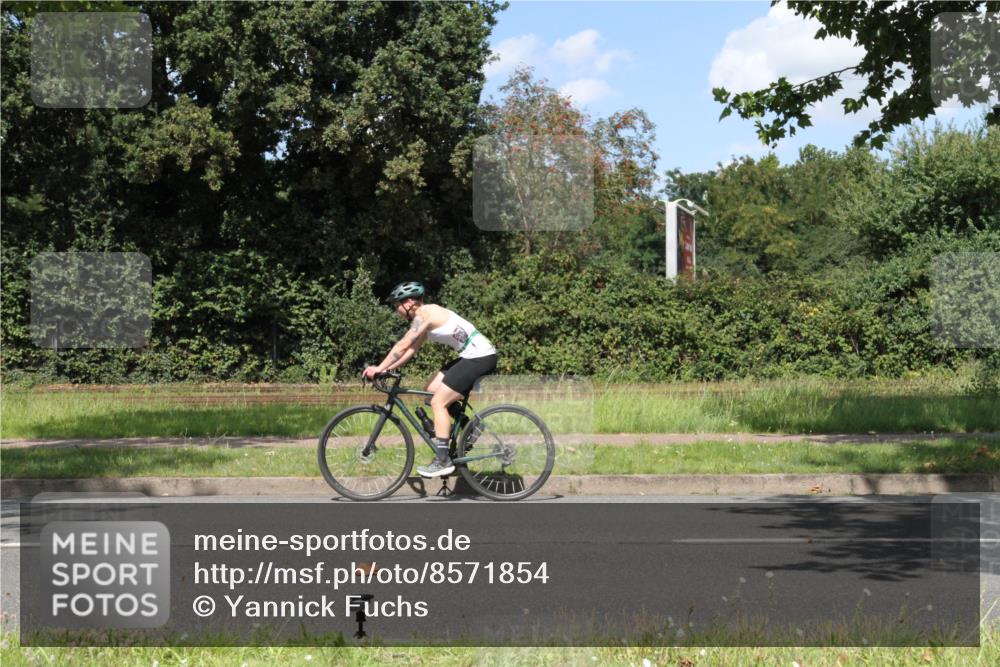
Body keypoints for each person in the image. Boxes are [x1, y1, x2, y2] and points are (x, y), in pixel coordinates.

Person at [362, 281, 498, 477]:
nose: (396, 310)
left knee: (438, 402)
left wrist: (378, 368)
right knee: (431, 389)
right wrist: (387, 370)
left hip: (480, 357)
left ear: (409, 302)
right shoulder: (424, 319)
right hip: (471, 356)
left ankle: (443, 460)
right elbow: (410, 350)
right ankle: (470, 426)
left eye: (396, 305)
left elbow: (402, 345)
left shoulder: (425, 314)